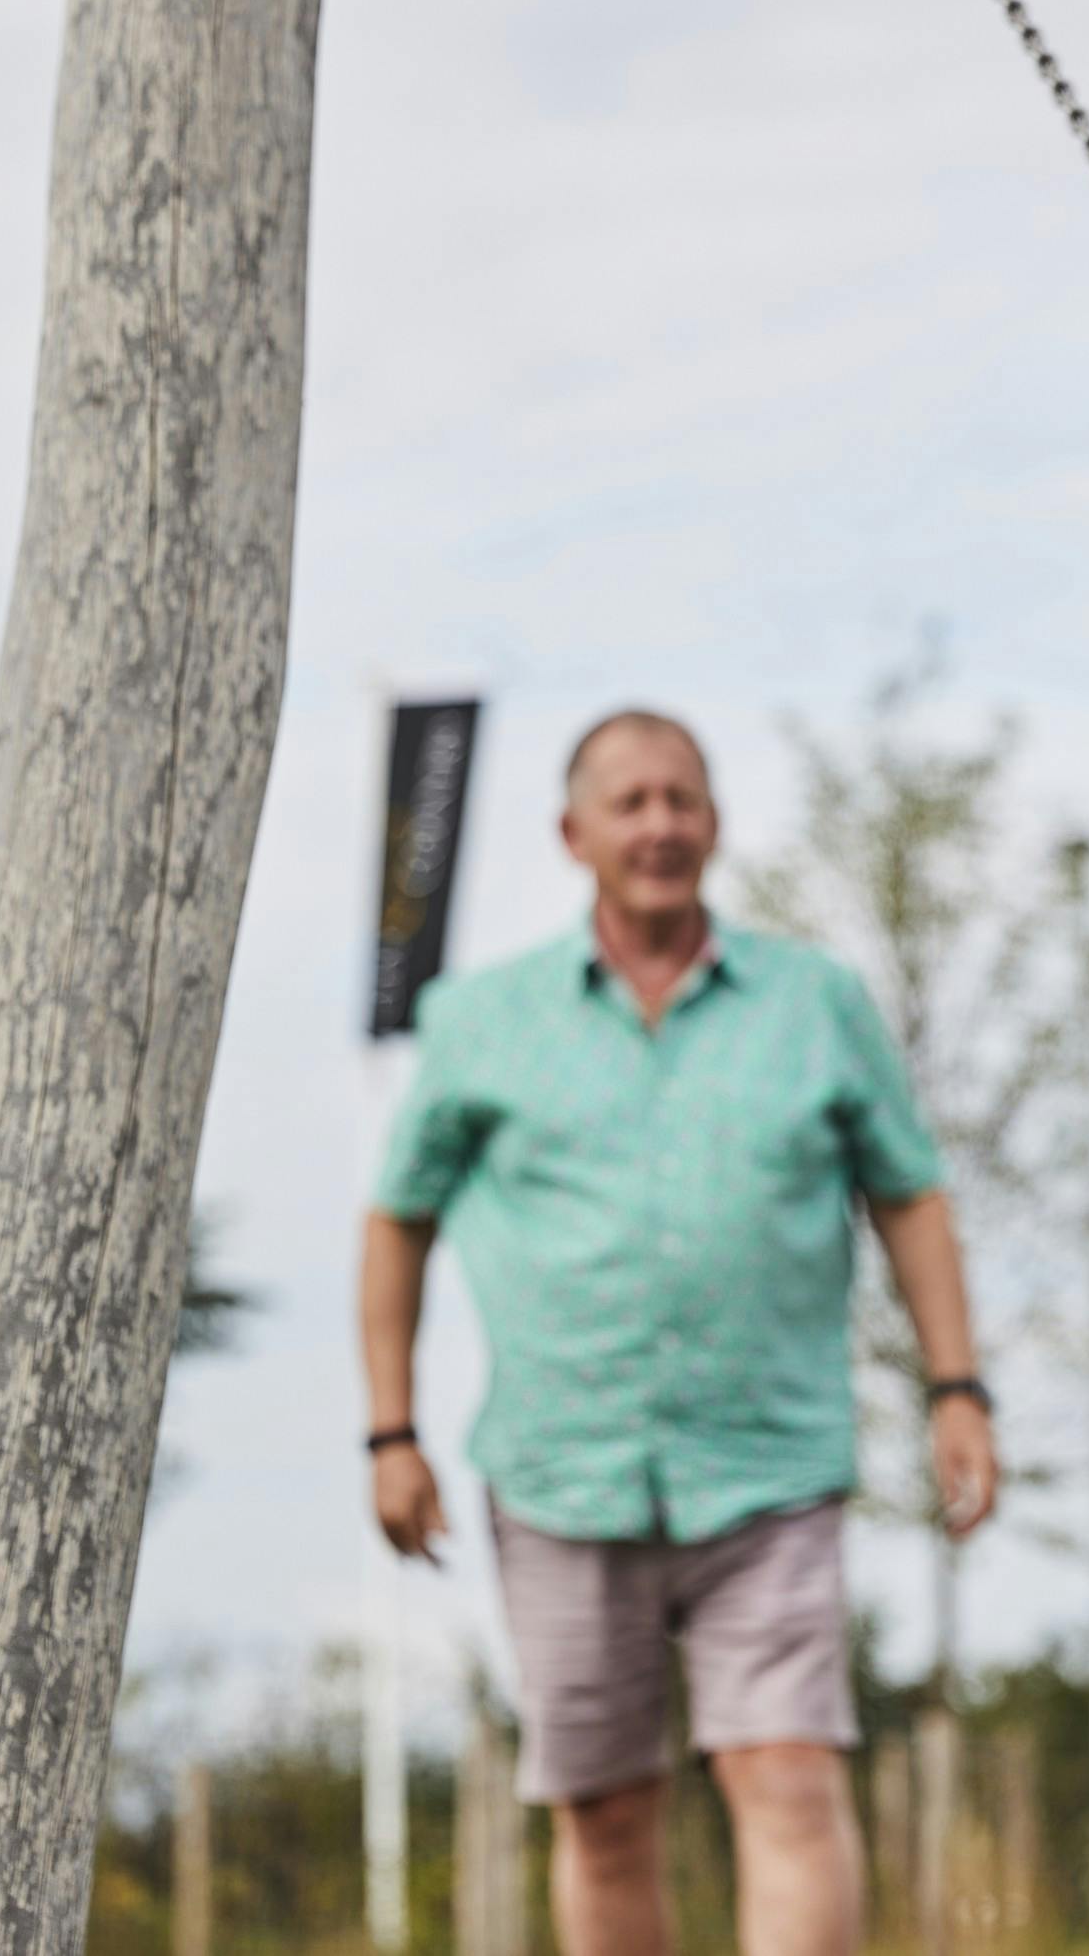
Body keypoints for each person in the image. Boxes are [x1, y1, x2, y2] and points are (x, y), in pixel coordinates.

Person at [359, 709, 999, 1956]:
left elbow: (910, 1192)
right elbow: (396, 1221)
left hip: (769, 1466)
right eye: (631, 801)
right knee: (602, 1813)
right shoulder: (478, 1021)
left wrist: (956, 1386)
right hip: (559, 1471)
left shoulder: (816, 1002)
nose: (659, 824)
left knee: (788, 1777)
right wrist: (389, 1429)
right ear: (574, 833)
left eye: (681, 799)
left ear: (711, 822)